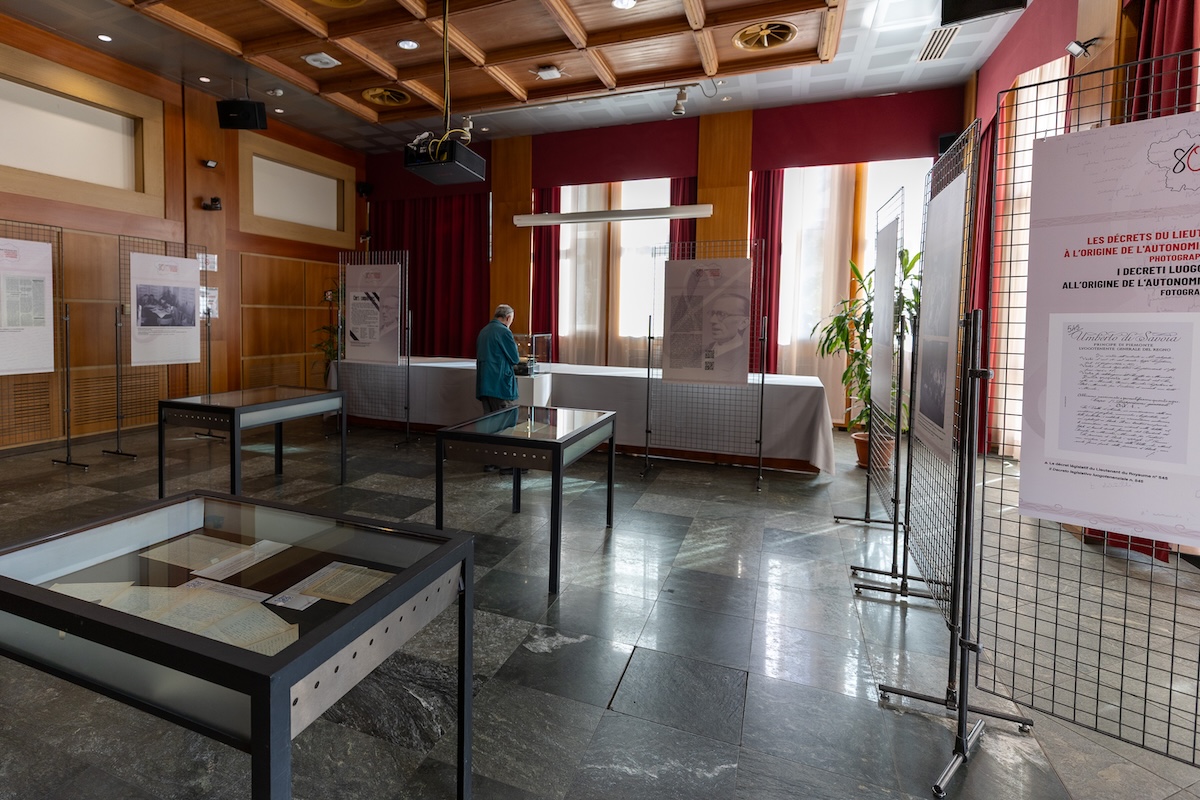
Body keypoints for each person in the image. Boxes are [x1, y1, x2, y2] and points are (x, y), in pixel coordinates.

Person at [476, 304, 522, 473]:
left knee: (490, 425)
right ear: (508, 318)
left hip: (484, 384)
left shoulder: (484, 331)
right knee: (505, 423)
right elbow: (515, 358)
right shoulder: (504, 332)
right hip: (499, 385)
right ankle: (506, 464)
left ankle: (490, 462)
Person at [704, 292, 750, 374]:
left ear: (743, 323)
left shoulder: (743, 361)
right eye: (712, 313)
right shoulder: (705, 350)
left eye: (722, 314)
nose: (712, 320)